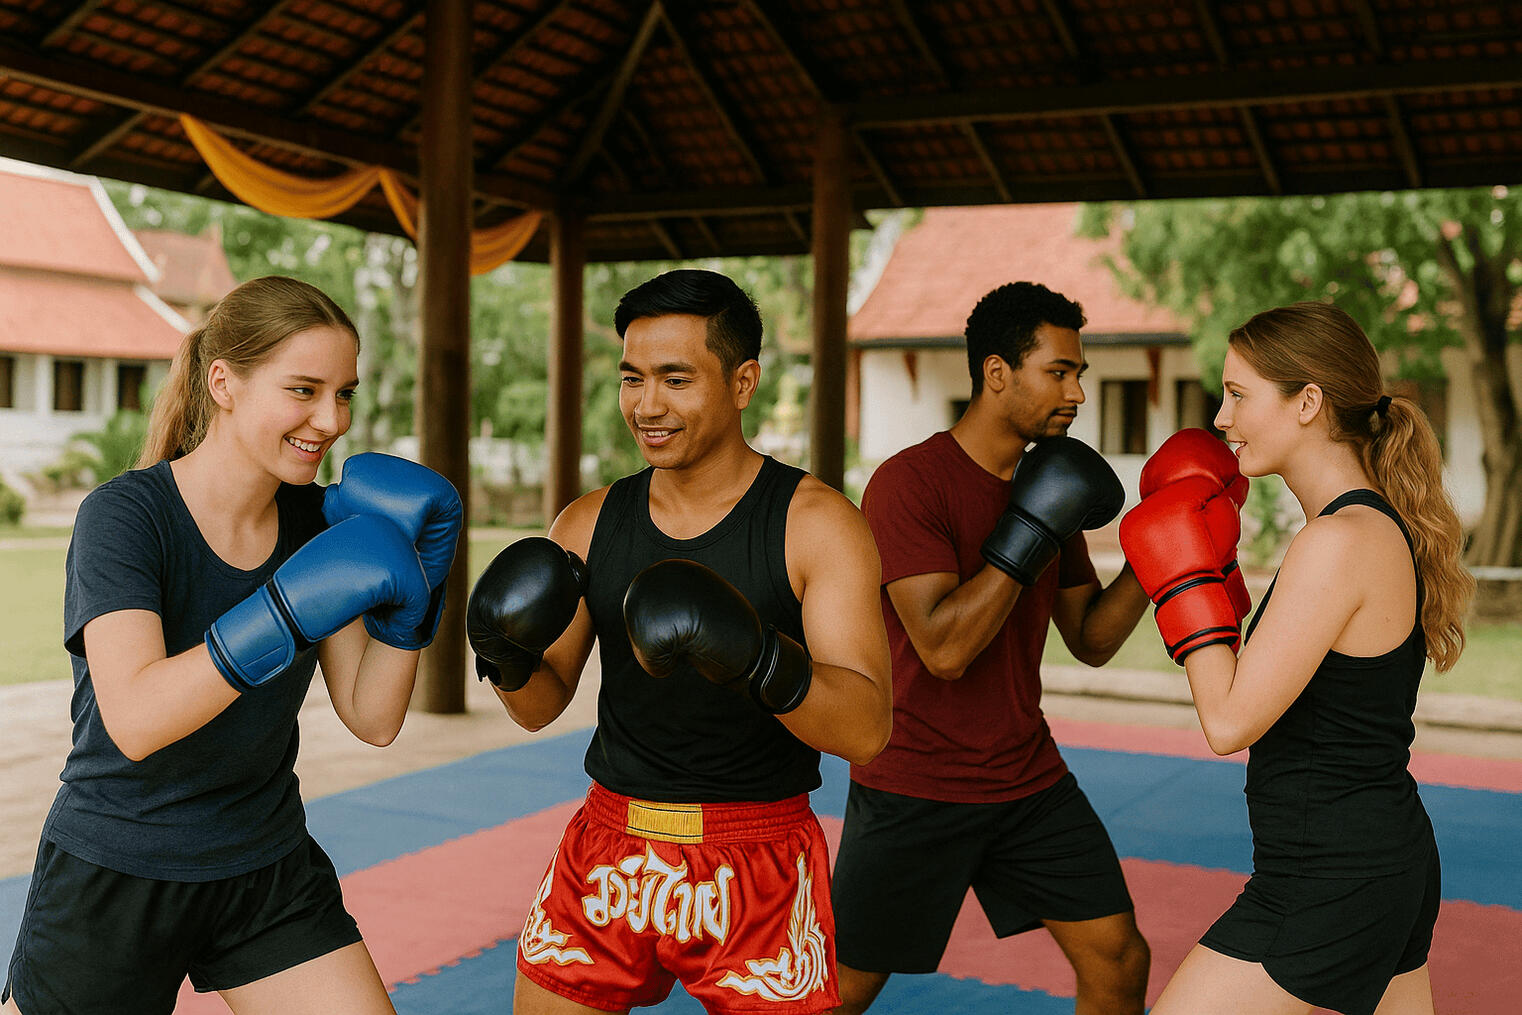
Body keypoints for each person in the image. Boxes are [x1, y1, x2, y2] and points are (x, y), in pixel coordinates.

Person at [2, 276, 463, 1015]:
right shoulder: (125, 516)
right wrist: (282, 609)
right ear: (224, 382)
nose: (330, 419)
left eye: (343, 393)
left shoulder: (317, 524)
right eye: (304, 389)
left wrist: (416, 602)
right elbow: (136, 718)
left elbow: (372, 717)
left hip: (263, 863)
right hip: (120, 867)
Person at [467, 268, 892, 1015]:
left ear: (743, 381)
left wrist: (758, 658)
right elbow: (537, 708)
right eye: (633, 378)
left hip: (756, 856)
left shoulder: (816, 524)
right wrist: (503, 655)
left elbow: (866, 729)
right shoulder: (588, 523)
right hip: (609, 846)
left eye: (675, 378)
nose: (647, 405)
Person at [1121, 301, 1472, 1015]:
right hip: (1376, 855)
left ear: (1308, 401)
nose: (1221, 417)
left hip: (1329, 875)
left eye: (1240, 394)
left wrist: (1185, 574)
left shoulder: (1338, 540)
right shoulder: (1363, 525)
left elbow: (1227, 721)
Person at [830, 281, 1158, 1015]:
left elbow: (1093, 637)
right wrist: (1029, 530)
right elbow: (944, 648)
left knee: (1118, 954)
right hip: (915, 778)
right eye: (1060, 371)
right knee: (842, 989)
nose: (1077, 391)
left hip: (1024, 776)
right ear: (997, 373)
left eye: (1080, 372)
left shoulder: (1051, 484)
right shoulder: (909, 483)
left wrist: (1160, 550)